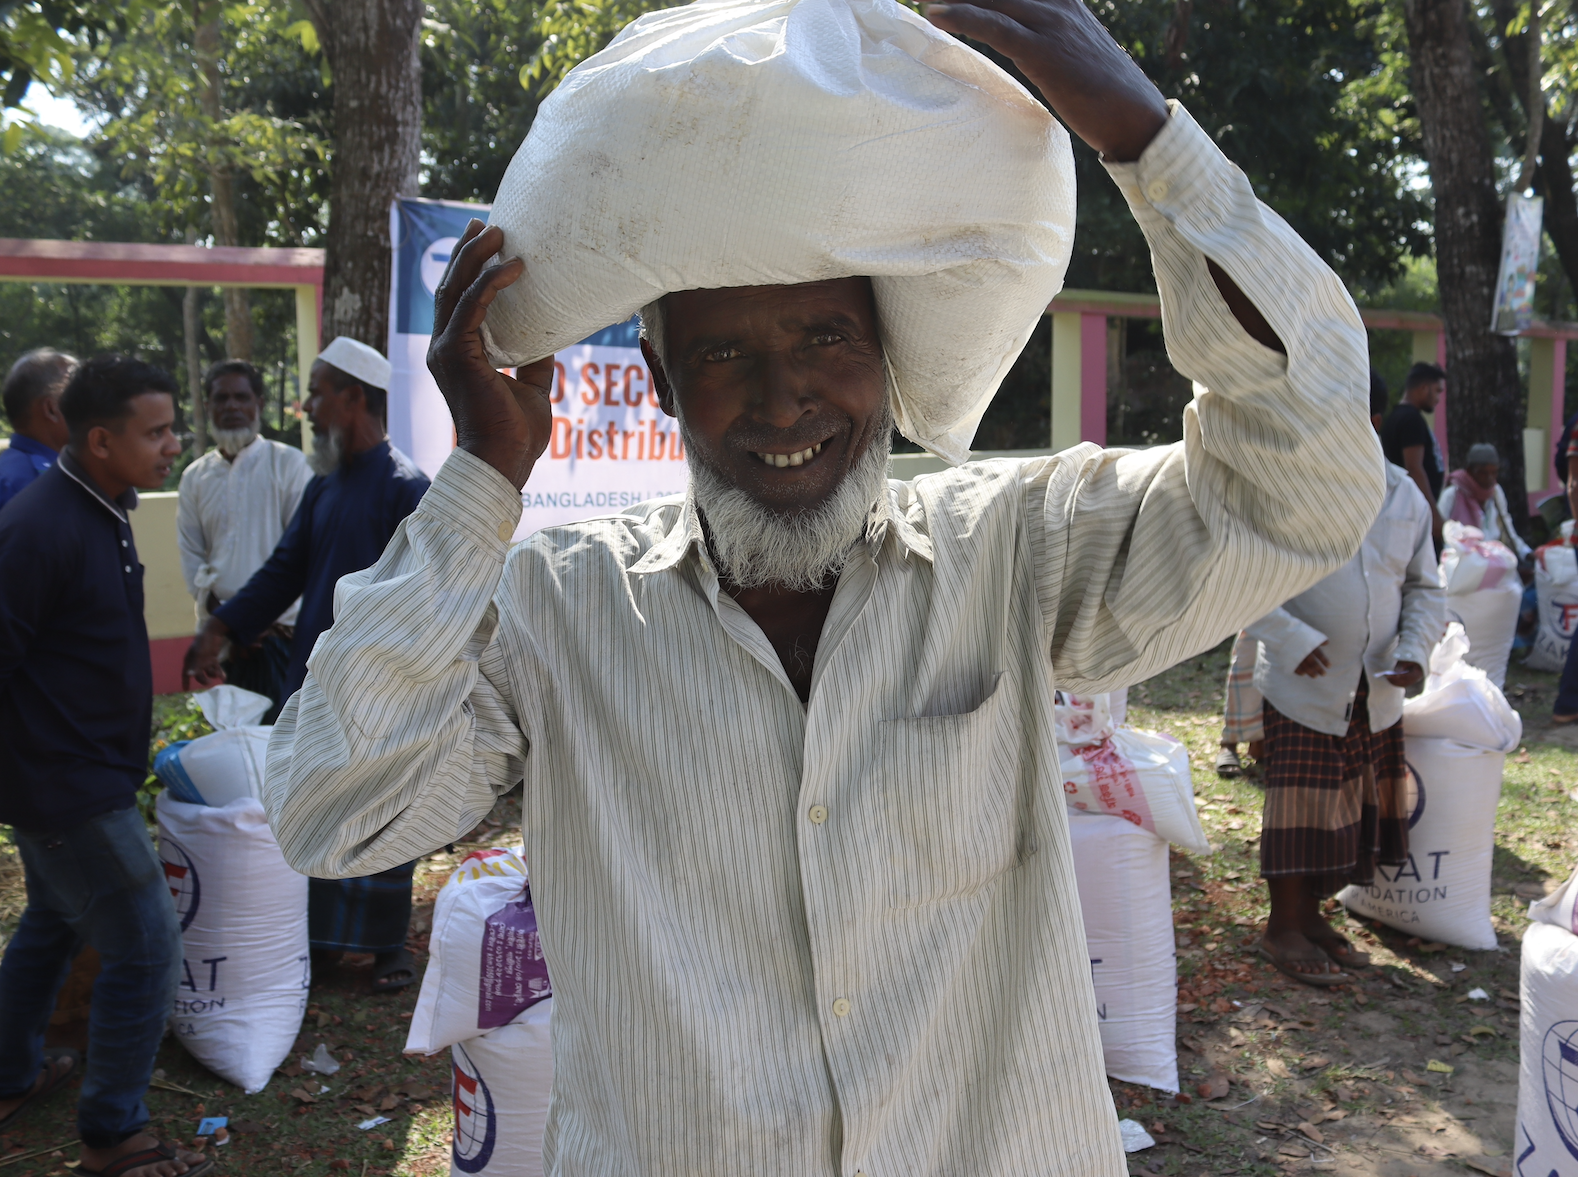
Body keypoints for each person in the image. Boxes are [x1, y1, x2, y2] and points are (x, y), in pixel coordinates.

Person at [261, 1, 1385, 1171]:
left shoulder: (1012, 551)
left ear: (888, 353)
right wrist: (484, 476)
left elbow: (1297, 482)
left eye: (827, 341)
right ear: (657, 379)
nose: (784, 399)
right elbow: (335, 813)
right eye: (723, 355)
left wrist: (1148, 143)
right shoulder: (557, 609)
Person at [0, 356, 210, 1177]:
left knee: (52, 927)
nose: (172, 444)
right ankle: (114, 1134)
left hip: (83, 774)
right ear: (98, 439)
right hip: (68, 787)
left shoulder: (101, 505)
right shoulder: (38, 529)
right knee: (147, 944)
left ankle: (11, 1073)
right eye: (155, 431)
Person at [183, 337, 429, 992]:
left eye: (318, 393)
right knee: (319, 806)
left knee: (379, 808)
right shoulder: (325, 486)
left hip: (377, 685)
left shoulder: (407, 487)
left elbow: (429, 595)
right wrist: (219, 625)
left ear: (353, 399)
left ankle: (386, 947)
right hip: (313, 679)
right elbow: (282, 570)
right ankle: (325, 939)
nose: (308, 407)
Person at [1244, 436, 1443, 985]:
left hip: (1377, 686)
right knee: (1300, 807)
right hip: (1302, 683)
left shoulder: (1405, 497)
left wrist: (1414, 651)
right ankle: (1281, 925)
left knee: (1344, 811)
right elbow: (1242, 574)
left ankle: (1309, 918)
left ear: (1369, 420)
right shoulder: (1290, 484)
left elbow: (1426, 586)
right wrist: (1290, 638)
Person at [176, 361, 312, 719]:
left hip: (283, 638)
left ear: (259, 403)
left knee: (286, 744)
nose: (231, 407)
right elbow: (193, 559)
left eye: (241, 397)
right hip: (230, 645)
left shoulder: (289, 465)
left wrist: (255, 620)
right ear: (207, 406)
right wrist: (230, 624)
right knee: (243, 749)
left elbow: (303, 556)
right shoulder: (195, 478)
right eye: (221, 398)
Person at [0, 348, 77, 509]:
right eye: (80, 395)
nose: (93, 407)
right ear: (51, 408)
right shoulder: (34, 485)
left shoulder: (11, 475)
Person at [1381, 361, 1447, 546]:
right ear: (1423, 388)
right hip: (1412, 513)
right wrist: (1433, 515)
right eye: (1437, 391)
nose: (1438, 398)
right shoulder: (1410, 419)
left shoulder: (1398, 416)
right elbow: (1414, 468)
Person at [1438, 443, 1531, 560]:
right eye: (1483, 473)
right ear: (1470, 471)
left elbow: (1507, 525)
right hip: (1461, 562)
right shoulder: (1452, 494)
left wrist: (1525, 552)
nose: (1489, 478)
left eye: (1494, 472)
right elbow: (1440, 531)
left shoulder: (1496, 492)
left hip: (1493, 559)